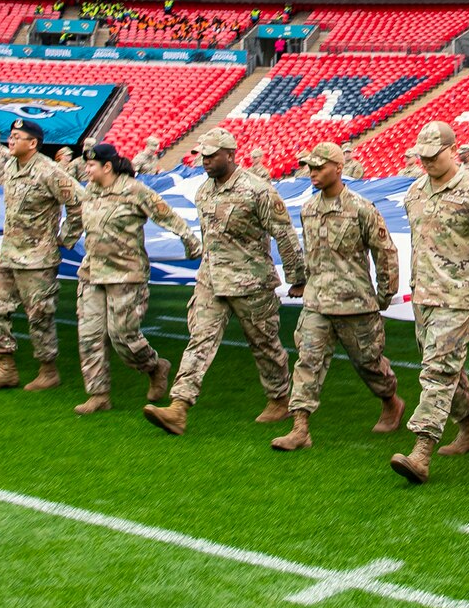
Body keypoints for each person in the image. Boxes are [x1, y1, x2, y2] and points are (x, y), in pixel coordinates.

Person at [144, 127, 303, 435]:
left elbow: (284, 233)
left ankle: (279, 398)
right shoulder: (204, 190)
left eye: (211, 155)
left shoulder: (258, 190)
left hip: (250, 282)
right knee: (199, 340)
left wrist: (297, 277)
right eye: (202, 155)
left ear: (230, 155)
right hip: (211, 280)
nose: (205, 161)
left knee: (265, 345)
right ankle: (179, 406)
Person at [390, 121, 469, 484]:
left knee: (437, 371)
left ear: (453, 150)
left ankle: (422, 449)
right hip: (423, 296)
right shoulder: (415, 192)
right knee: (448, 369)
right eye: (423, 157)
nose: (427, 162)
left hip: (456, 298)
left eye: (434, 155)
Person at [273, 141, 403, 451]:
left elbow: (384, 252)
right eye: (310, 168)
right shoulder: (308, 209)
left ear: (338, 168)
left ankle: (390, 401)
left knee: (369, 363)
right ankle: (300, 427)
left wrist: (385, 293)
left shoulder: (361, 208)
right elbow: (311, 253)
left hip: (355, 302)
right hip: (318, 302)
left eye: (319, 167)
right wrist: (302, 282)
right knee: (307, 361)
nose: (313, 173)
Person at [72, 143, 198, 414]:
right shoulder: (90, 190)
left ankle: (154, 367)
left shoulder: (134, 190)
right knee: (89, 336)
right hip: (91, 273)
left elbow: (166, 215)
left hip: (126, 274)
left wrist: (190, 241)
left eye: (92, 165)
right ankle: (98, 395)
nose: (87, 169)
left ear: (107, 167)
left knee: (123, 336)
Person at [0, 118, 84, 392]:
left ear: (33, 143)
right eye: (10, 136)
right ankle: (6, 368)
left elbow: (80, 203)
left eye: (16, 136)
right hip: (8, 253)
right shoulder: (10, 165)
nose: (9, 141)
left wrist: (66, 238)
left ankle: (48, 370)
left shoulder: (49, 171)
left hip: (37, 257)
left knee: (39, 315)